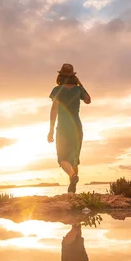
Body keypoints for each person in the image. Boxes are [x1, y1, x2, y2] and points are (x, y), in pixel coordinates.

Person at [47, 63, 91, 194]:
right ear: (73, 76)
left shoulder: (57, 90)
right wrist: (80, 84)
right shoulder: (78, 90)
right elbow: (88, 100)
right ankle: (73, 191)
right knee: (74, 158)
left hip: (64, 126)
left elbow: (54, 109)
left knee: (63, 158)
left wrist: (50, 130)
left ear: (60, 76)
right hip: (77, 125)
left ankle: (72, 177)